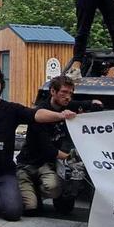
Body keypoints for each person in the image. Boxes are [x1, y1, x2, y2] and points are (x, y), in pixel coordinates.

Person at [0, 66, 76, 222]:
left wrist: (61, 115)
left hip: (4, 174)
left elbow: (37, 114)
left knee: (13, 213)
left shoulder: (10, 109)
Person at [17, 75, 101, 215]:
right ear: (53, 91)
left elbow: (85, 104)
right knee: (31, 209)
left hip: (46, 165)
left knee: (54, 190)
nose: (68, 97)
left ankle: (40, 191)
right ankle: (26, 189)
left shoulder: (66, 104)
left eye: (71, 93)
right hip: (28, 164)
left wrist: (94, 103)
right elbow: (48, 149)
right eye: (64, 92)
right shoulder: (41, 112)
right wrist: (71, 157)